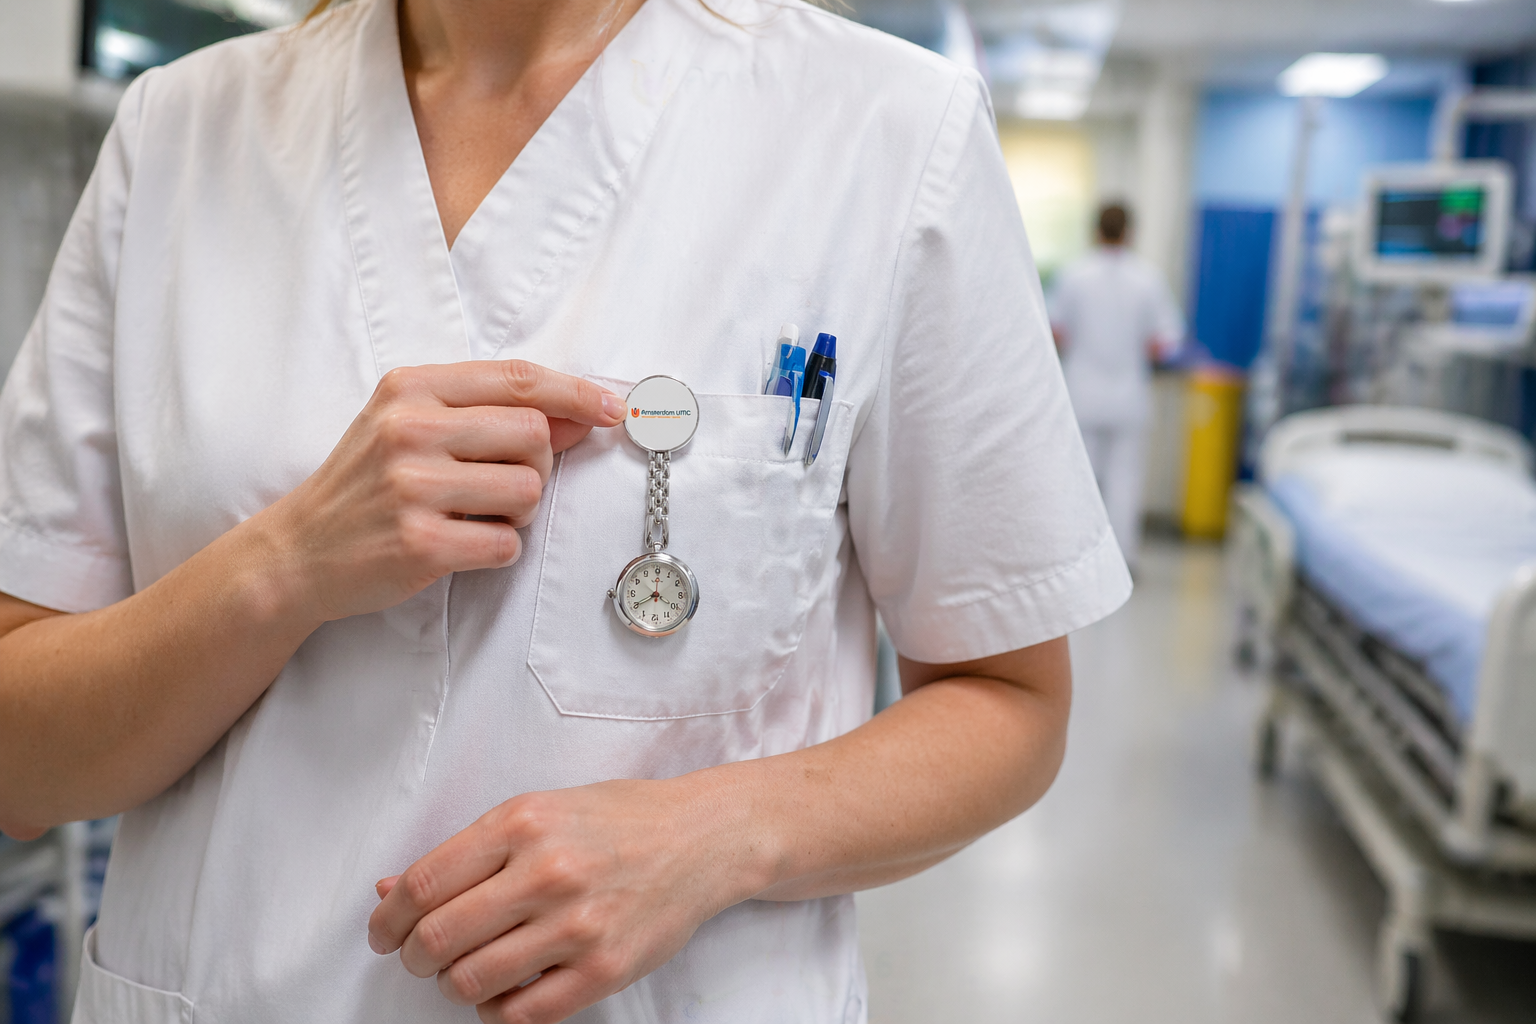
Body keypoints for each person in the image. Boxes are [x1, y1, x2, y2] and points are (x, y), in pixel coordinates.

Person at [0, 0, 1131, 1021]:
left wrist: (715, 836)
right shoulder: (180, 133)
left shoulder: (885, 131)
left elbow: (1009, 701)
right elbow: (22, 759)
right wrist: (282, 566)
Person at [1048, 203, 1185, 571]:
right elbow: (1166, 342)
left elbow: (1055, 330)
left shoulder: (1074, 275)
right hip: (1128, 395)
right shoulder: (1148, 279)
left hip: (1083, 394)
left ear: (1095, 230)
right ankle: (1123, 559)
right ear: (1129, 232)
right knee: (1125, 480)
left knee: (1082, 479)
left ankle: (1077, 559)